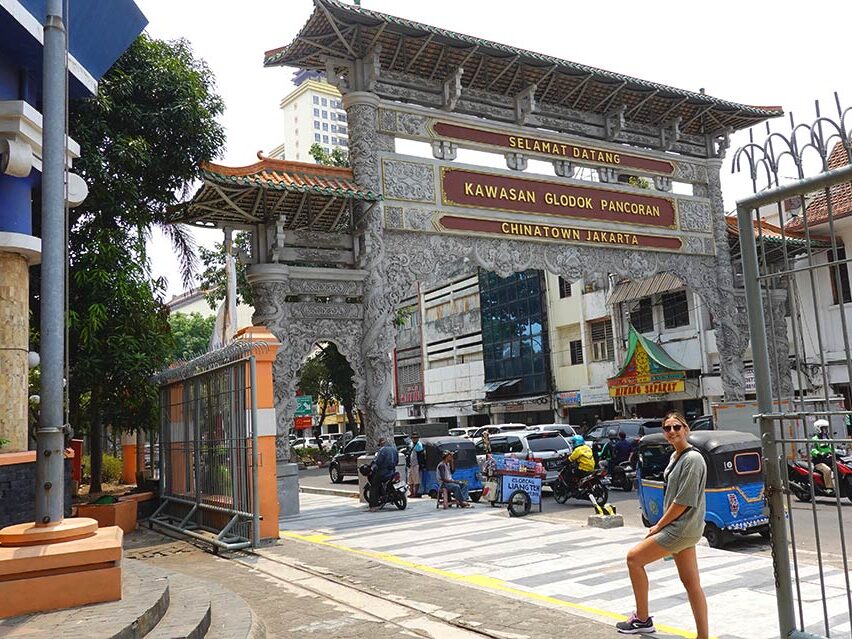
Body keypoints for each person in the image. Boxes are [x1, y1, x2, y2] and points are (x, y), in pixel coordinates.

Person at [617, 412, 708, 637]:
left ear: (686, 429)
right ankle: (703, 636)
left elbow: (682, 502)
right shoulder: (675, 457)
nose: (672, 432)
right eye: (667, 428)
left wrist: (658, 526)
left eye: (677, 427)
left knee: (634, 559)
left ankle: (642, 619)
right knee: (691, 583)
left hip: (680, 528)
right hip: (685, 529)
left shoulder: (692, 459)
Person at [369, 436, 399, 512]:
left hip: (383, 472)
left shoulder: (382, 450)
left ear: (381, 443)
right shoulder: (394, 450)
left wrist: (373, 467)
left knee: (374, 487)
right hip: (392, 472)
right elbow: (397, 461)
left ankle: (373, 506)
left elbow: (378, 462)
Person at [810, 419, 834, 491]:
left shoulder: (827, 438)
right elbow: (812, 450)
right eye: (824, 428)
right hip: (819, 461)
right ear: (818, 428)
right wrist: (819, 454)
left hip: (828, 459)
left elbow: (830, 448)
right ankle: (829, 488)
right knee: (827, 470)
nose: (826, 430)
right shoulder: (815, 439)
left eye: (826, 428)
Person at [407, 432, 426, 497]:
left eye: (415, 438)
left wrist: (421, 465)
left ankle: (415, 493)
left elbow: (421, 457)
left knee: (416, 480)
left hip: (416, 465)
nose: (414, 439)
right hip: (410, 465)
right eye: (413, 438)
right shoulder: (410, 444)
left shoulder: (419, 446)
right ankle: (411, 493)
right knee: (410, 480)